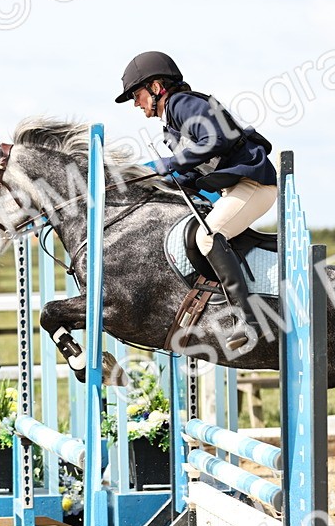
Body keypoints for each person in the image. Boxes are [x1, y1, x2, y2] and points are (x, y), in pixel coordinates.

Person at [115, 51, 277, 350]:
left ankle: (247, 319)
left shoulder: (182, 103)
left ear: (155, 87)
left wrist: (173, 162)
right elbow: (200, 166)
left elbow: (215, 139)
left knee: (209, 236)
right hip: (238, 188)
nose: (136, 104)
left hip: (254, 184)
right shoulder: (173, 121)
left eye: (137, 95)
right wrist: (159, 181)